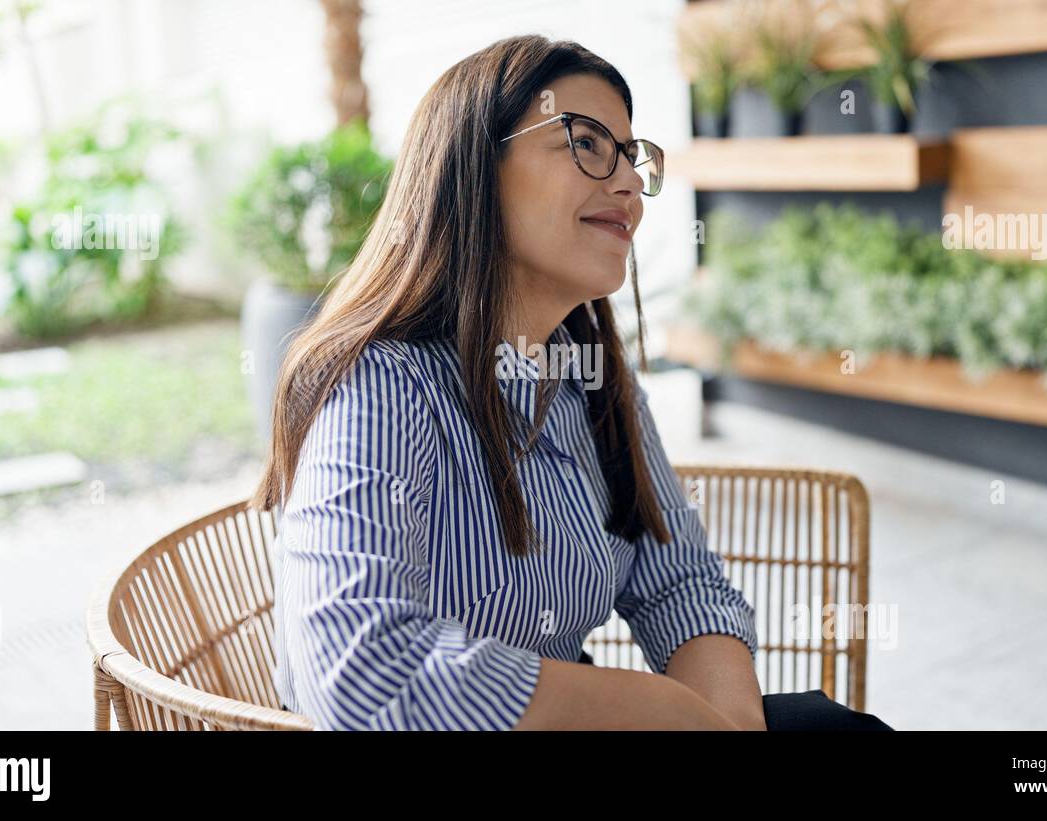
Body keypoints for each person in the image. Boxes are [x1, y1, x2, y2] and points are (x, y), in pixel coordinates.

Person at [256, 33, 894, 732]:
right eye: (586, 143)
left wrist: (729, 724)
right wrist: (666, 711)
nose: (628, 185)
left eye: (631, 156)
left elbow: (679, 580)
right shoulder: (378, 383)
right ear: (473, 164)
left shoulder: (589, 376)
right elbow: (359, 671)